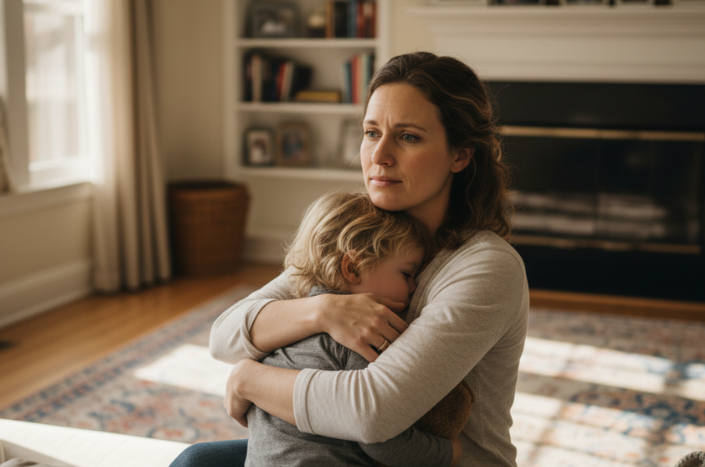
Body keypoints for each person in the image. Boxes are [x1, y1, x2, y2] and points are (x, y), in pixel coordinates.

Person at [170, 52, 529, 467]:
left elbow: (374, 412)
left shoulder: (486, 266)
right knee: (196, 462)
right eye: (371, 132)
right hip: (349, 451)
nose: (380, 156)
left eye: (408, 136)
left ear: (460, 155)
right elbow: (224, 336)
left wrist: (249, 378)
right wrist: (324, 310)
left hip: (433, 460)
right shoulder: (360, 234)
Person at [244, 191, 461, 466]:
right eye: (407, 274)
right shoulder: (358, 338)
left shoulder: (281, 330)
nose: (414, 287)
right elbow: (381, 439)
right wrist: (448, 453)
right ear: (353, 268)